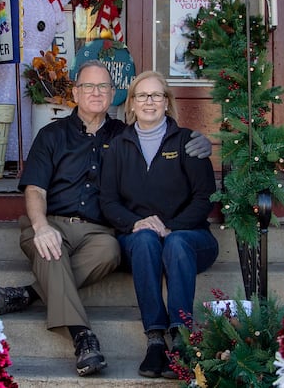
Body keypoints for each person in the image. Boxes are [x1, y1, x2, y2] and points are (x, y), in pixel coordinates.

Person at [0, 60, 212, 377]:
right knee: (51, 252)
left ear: (115, 94)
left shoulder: (125, 136)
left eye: (104, 87)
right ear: (76, 93)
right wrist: (40, 227)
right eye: (89, 87)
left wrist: (197, 141)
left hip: (98, 232)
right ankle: (82, 337)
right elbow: (35, 189)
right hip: (52, 222)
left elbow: (159, 136)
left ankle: (30, 294)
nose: (96, 93)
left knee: (112, 249)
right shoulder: (52, 135)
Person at [99, 70, 219, 379]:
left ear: (167, 102)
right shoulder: (117, 147)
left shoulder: (188, 142)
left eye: (156, 95)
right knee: (144, 241)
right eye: (142, 95)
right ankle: (155, 339)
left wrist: (171, 226)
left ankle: (180, 338)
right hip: (138, 242)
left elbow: (204, 199)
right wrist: (137, 223)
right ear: (132, 104)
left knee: (177, 242)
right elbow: (109, 202)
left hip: (191, 239)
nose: (149, 101)